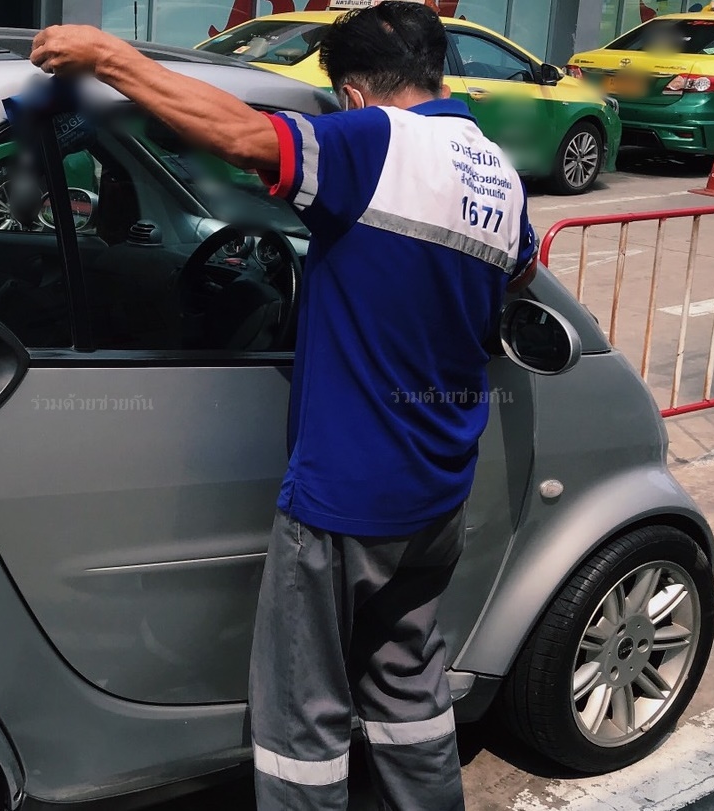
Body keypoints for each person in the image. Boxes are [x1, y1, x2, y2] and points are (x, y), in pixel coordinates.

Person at [31, 4, 536, 810]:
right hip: (436, 492)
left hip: (345, 496)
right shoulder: (497, 174)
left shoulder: (374, 140)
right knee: (407, 687)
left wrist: (107, 55)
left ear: (352, 94)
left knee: (303, 721)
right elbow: (516, 273)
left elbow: (242, 137)